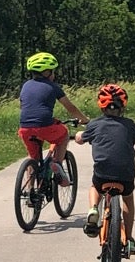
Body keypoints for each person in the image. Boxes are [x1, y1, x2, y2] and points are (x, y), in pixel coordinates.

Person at [76, 83, 135, 255]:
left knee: (95, 186)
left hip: (102, 173)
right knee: (127, 199)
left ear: (101, 106)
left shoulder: (95, 124)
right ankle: (129, 239)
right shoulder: (129, 124)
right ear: (123, 106)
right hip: (125, 175)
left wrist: (80, 135)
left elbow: (80, 140)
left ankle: (94, 208)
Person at [18, 52, 86, 180]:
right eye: (52, 71)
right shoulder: (53, 87)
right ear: (46, 73)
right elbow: (70, 107)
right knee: (63, 134)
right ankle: (57, 166)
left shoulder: (25, 86)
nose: (54, 75)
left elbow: (23, 106)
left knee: (33, 159)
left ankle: (29, 194)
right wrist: (84, 119)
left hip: (25, 127)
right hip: (44, 126)